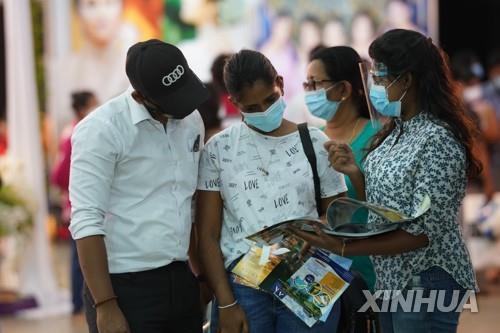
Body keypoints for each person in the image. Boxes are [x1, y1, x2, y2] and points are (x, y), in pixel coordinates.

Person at [292, 29, 479, 333]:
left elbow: (422, 232)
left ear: (406, 80)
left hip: (425, 278)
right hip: (391, 277)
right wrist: (355, 173)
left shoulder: (437, 139)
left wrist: (343, 247)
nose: (374, 86)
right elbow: (383, 209)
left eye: (380, 78)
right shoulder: (395, 131)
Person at [196, 49, 347, 333]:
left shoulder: (314, 141)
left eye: (270, 99)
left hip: (310, 277)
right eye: (251, 108)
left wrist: (309, 234)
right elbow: (207, 235)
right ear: (233, 102)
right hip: (245, 287)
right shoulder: (219, 149)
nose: (263, 111)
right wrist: (226, 303)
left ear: (280, 82)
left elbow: (338, 216)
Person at [69, 39, 209, 333]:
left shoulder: (191, 121)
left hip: (181, 278)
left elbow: (189, 202)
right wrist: (105, 305)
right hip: (124, 286)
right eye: (172, 100)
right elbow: (86, 221)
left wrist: (201, 277)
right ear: (142, 96)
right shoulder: (100, 130)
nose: (182, 108)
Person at [304, 46, 378, 291]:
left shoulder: (377, 136)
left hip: (365, 267)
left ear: (344, 89)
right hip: (316, 272)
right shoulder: (308, 138)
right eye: (308, 85)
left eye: (316, 84)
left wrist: (355, 174)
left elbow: (387, 208)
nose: (310, 92)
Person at [51, 91, 98, 314]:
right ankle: (79, 302)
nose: (97, 107)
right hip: (77, 202)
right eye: (93, 104)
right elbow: (60, 174)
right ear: (82, 108)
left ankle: (78, 301)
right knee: (80, 256)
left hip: (73, 200)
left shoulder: (71, 129)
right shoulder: (78, 132)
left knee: (78, 256)